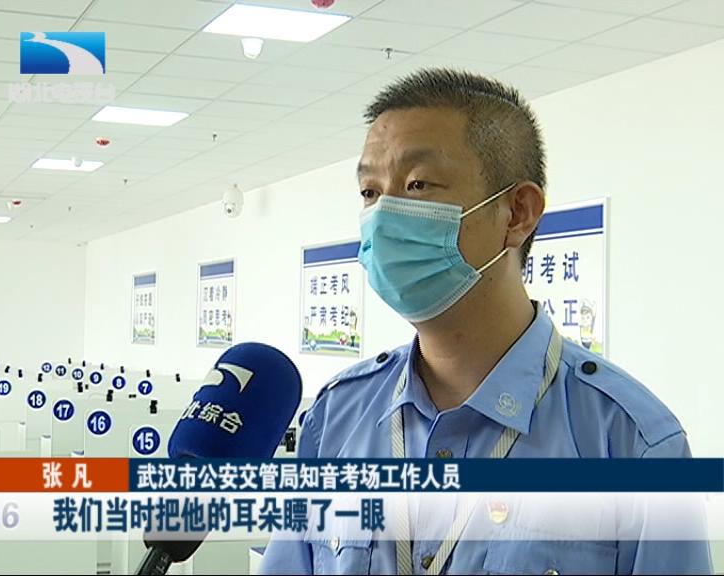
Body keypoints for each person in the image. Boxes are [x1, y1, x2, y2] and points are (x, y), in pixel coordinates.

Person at [260, 68, 711, 575]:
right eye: (369, 192)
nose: (383, 217)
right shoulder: (336, 417)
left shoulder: (632, 444)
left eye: (417, 184)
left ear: (517, 213)